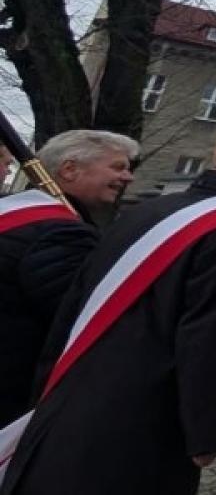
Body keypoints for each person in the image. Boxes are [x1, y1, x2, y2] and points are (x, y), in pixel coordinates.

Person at [1, 128, 216, 495]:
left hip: (68, 403)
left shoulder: (149, 210)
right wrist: (206, 431)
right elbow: (213, 329)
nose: (128, 177)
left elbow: (73, 311)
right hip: (138, 418)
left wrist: (45, 392)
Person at [0, 130, 136, 426]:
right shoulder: (62, 233)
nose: (128, 178)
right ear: (70, 170)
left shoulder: (16, 214)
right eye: (118, 167)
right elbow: (78, 321)